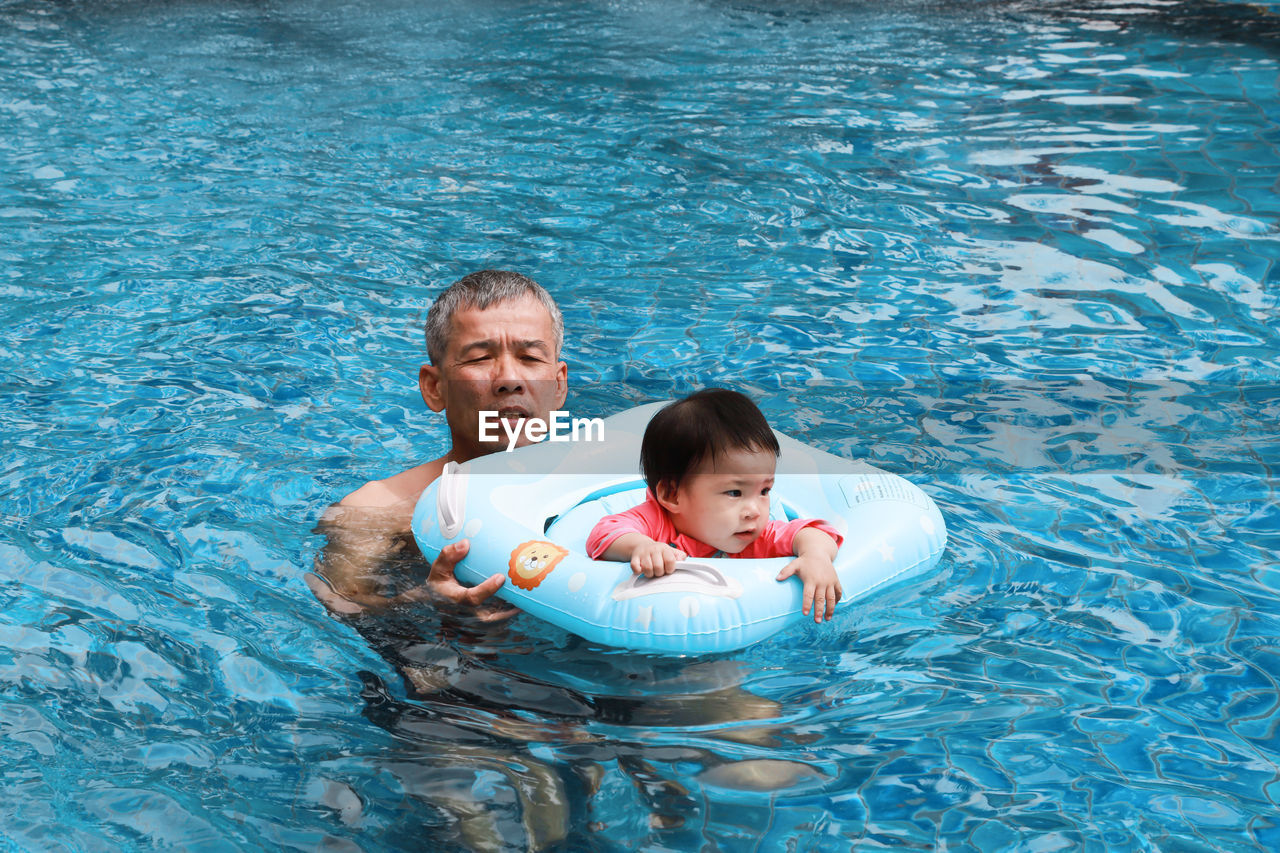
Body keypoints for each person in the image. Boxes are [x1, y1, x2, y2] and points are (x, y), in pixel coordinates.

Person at [307, 268, 567, 618]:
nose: (509, 379)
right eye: (480, 358)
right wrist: (424, 603)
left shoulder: (613, 485)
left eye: (530, 358)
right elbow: (342, 606)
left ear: (560, 384)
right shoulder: (374, 512)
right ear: (434, 387)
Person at [586, 388, 845, 623]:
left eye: (764, 490)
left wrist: (815, 556)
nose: (754, 510)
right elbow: (604, 532)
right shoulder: (654, 520)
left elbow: (817, 533)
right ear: (673, 495)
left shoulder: (755, 534)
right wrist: (642, 547)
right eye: (734, 492)